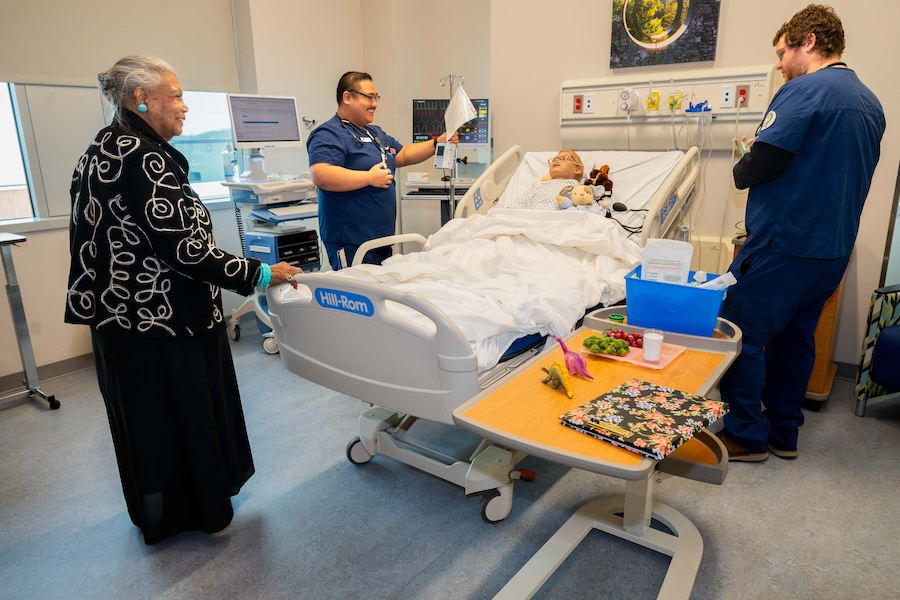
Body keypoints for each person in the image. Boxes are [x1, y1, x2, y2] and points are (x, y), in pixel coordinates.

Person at [65, 55, 305, 544]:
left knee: (147, 422)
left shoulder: (102, 147)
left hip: (118, 319)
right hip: (163, 318)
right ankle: (202, 510)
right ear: (142, 99)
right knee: (185, 412)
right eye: (174, 96)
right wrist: (262, 272)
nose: (184, 106)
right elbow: (183, 250)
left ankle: (162, 512)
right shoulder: (145, 156)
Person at [716, 5, 885, 462]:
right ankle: (783, 432)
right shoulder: (870, 103)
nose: (778, 65)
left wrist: (744, 159)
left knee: (740, 332)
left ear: (806, 41)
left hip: (784, 244)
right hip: (830, 252)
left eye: (781, 52)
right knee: (795, 338)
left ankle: (746, 435)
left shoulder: (803, 91)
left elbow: (760, 166)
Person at [307, 71, 459, 270]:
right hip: (351, 239)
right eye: (368, 97)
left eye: (376, 97)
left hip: (380, 237)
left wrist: (436, 143)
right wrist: (369, 178)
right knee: (358, 293)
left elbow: (402, 154)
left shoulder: (373, 132)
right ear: (347, 97)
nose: (374, 103)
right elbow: (321, 174)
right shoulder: (328, 133)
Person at [506, 149, 587, 211]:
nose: (557, 160)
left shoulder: (578, 187)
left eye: (564, 158)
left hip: (559, 219)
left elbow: (586, 203)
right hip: (534, 216)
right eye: (554, 160)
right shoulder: (540, 185)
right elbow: (519, 204)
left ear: (577, 170)